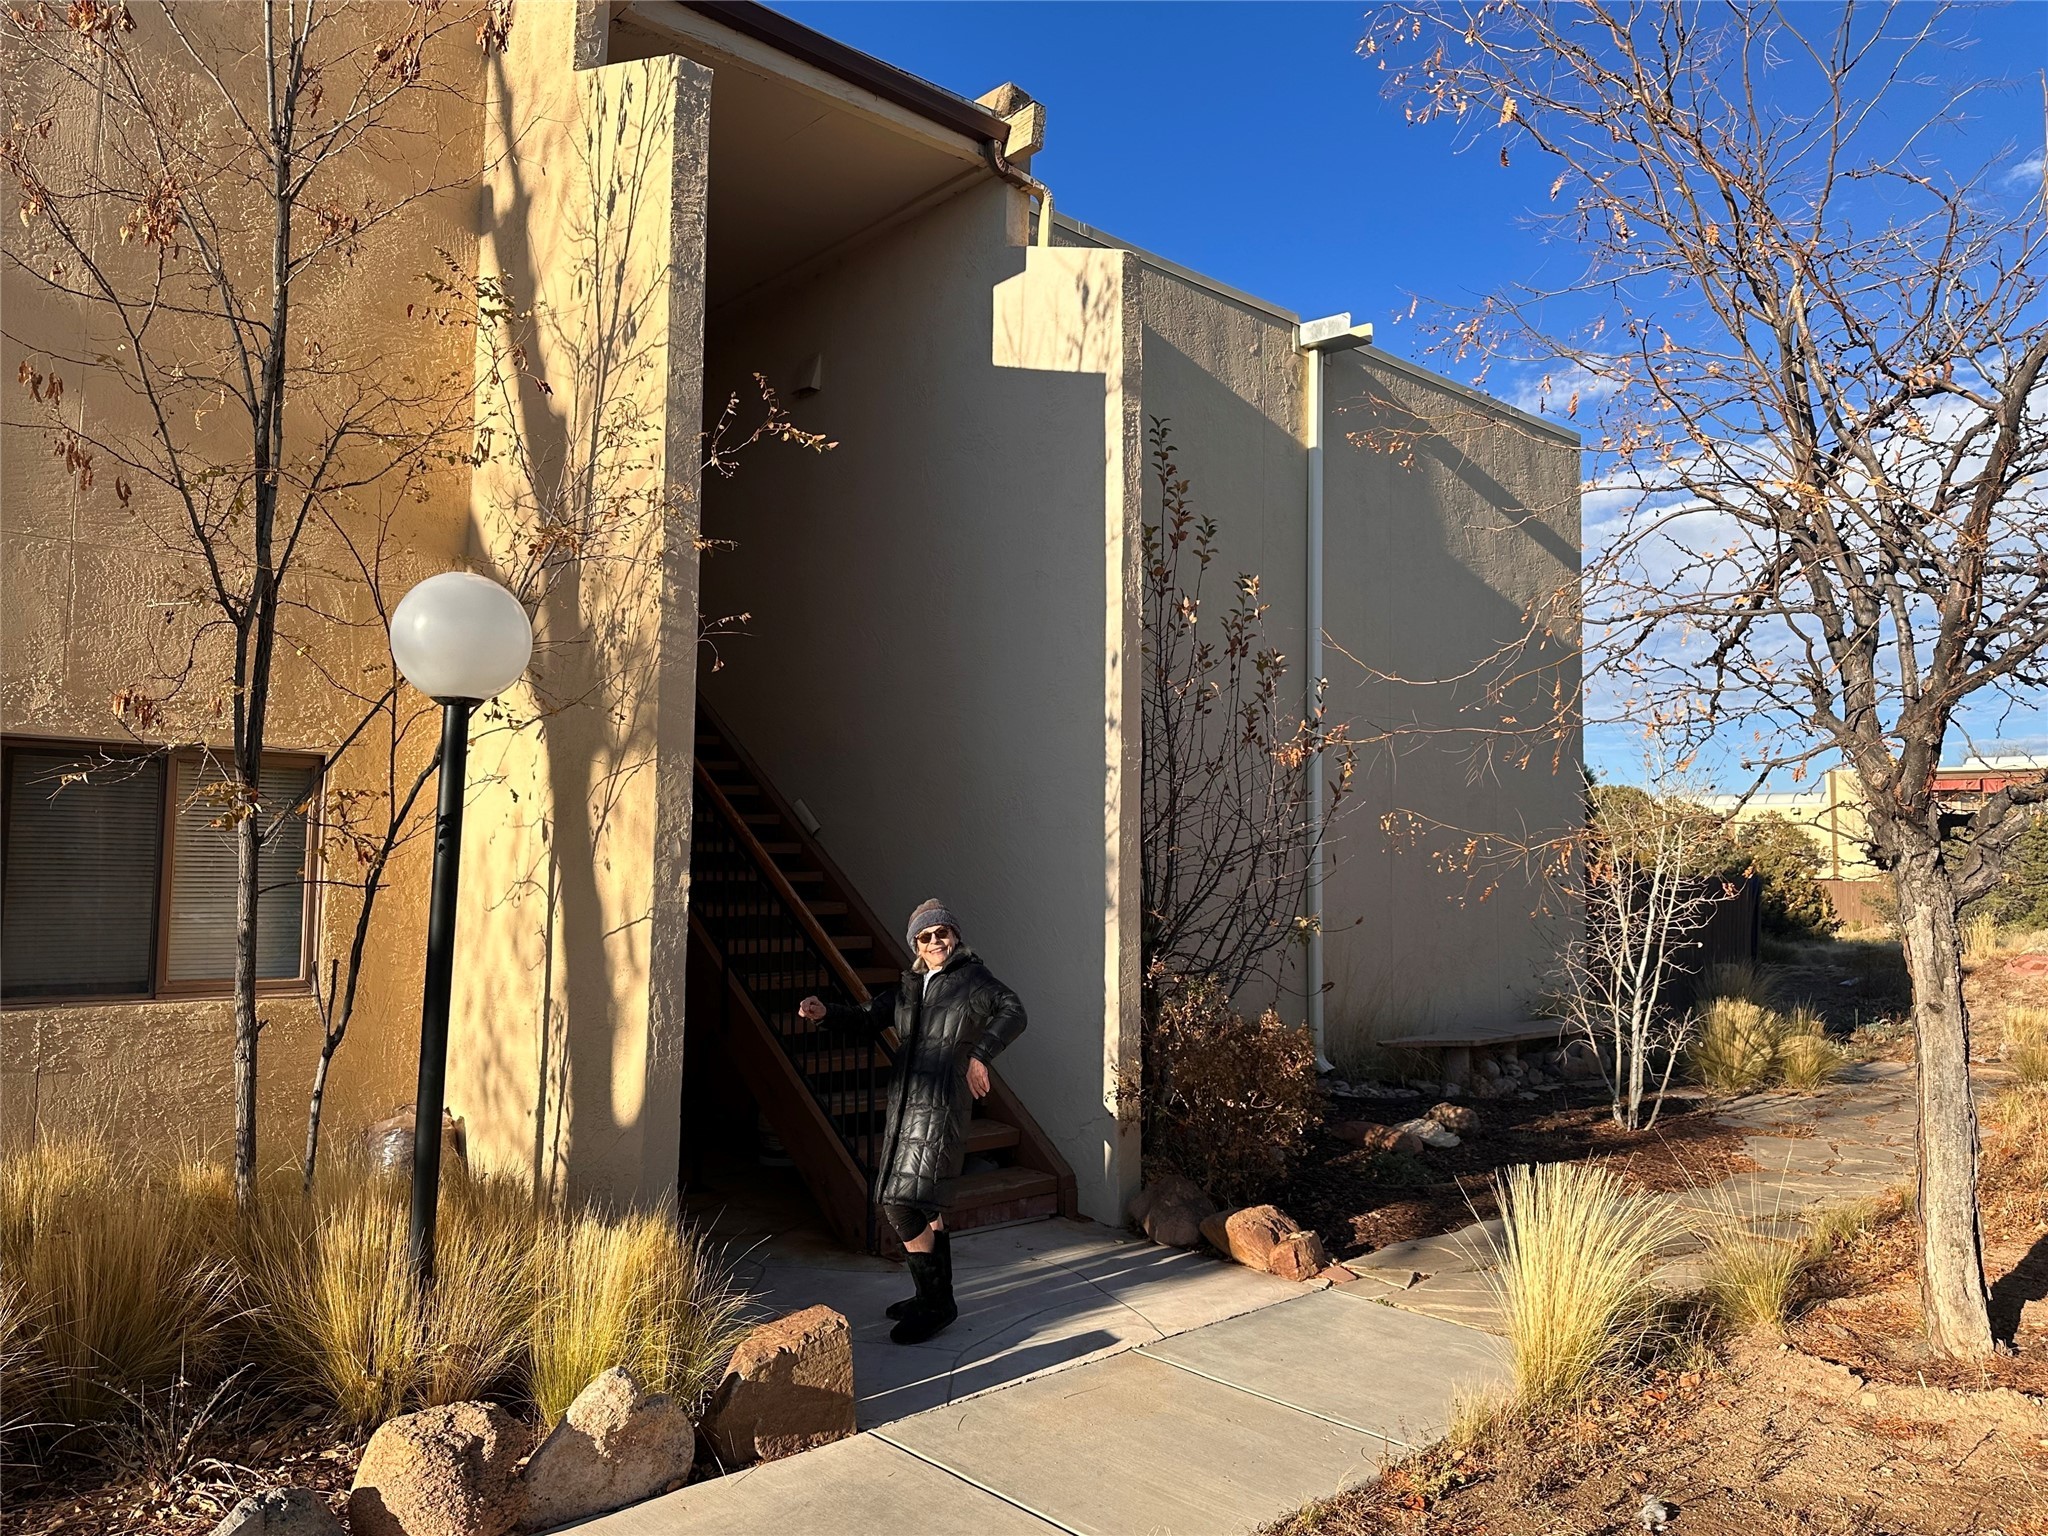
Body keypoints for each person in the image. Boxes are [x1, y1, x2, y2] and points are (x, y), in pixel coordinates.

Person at [797, 898, 1026, 1344]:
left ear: (955, 937)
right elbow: (867, 1018)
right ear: (916, 945)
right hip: (906, 1105)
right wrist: (824, 1013)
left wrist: (980, 1055)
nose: (935, 940)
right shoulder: (910, 985)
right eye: (926, 936)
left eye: (942, 932)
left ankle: (936, 1304)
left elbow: (1013, 1010)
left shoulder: (972, 979)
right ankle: (931, 1296)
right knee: (926, 1205)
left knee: (900, 1204)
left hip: (941, 1105)